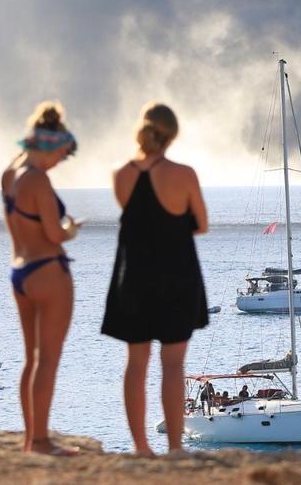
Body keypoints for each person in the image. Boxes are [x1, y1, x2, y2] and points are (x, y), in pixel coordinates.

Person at [102, 103, 209, 456]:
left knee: (135, 364)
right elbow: (201, 223)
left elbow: (138, 221)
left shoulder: (121, 174)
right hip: (177, 277)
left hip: (134, 278)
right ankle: (176, 447)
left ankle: (140, 447)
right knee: (174, 365)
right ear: (172, 134)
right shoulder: (184, 174)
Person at [2, 101, 81, 456]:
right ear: (51, 146)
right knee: (48, 359)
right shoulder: (38, 179)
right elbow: (53, 232)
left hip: (19, 270)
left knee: (31, 360)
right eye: (61, 156)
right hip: (49, 270)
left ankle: (29, 438)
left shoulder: (10, 173)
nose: (60, 163)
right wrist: (70, 230)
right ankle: (42, 441)